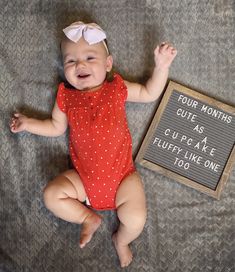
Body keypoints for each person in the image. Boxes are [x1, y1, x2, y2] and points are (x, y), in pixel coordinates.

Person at [10, 21, 177, 268]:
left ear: (108, 64)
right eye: (70, 61)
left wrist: (161, 67)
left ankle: (121, 240)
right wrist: (29, 124)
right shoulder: (66, 96)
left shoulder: (116, 88)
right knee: (51, 195)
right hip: (83, 181)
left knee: (136, 218)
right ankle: (87, 217)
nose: (80, 65)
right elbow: (55, 127)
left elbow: (149, 93)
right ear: (64, 67)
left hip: (123, 178)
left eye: (90, 57)